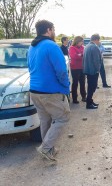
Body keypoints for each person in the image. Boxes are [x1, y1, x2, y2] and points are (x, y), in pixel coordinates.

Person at [27, 20, 70, 161]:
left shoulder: (32, 47)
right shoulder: (51, 46)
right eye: (54, 29)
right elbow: (62, 71)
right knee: (62, 117)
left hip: (34, 91)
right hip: (50, 92)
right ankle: (45, 148)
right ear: (49, 29)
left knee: (45, 120)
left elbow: (30, 67)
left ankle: (48, 150)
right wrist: (65, 88)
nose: (54, 31)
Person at [83, 34, 101, 109]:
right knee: (92, 87)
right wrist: (98, 69)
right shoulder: (94, 47)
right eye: (99, 40)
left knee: (90, 86)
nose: (99, 42)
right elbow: (96, 60)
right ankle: (89, 104)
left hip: (88, 69)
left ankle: (90, 101)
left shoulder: (87, 46)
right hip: (93, 71)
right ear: (96, 39)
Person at [69, 36, 86, 103]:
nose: (82, 43)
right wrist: (81, 55)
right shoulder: (72, 48)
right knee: (75, 83)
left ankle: (84, 96)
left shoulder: (83, 47)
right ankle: (74, 98)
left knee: (82, 83)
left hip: (82, 67)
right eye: (81, 41)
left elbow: (84, 56)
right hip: (75, 68)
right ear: (77, 41)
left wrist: (80, 55)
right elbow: (74, 56)